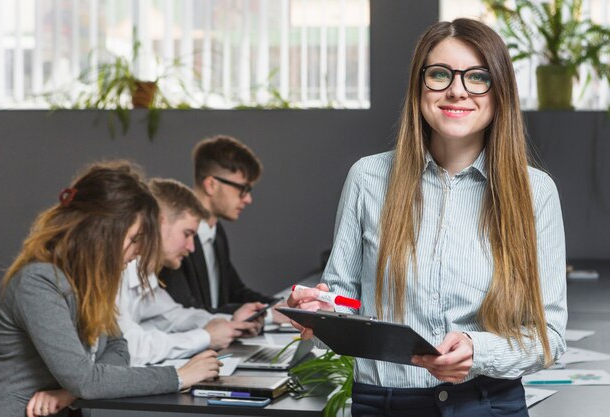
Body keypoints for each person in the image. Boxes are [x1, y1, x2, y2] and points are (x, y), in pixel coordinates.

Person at [288, 18, 567, 417]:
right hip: (384, 404)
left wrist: (478, 352)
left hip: (487, 404)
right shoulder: (368, 178)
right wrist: (321, 310)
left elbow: (549, 337)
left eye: (477, 77)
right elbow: (347, 299)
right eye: (440, 74)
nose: (457, 90)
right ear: (419, 86)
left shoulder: (535, 192)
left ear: (500, 90)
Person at [0, 162, 221, 417]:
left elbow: (118, 348)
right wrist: (179, 376)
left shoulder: (90, 283)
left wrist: (73, 390)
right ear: (101, 232)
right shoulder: (38, 283)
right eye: (134, 239)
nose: (138, 252)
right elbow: (85, 379)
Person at [117, 178, 264, 366]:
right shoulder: (120, 270)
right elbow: (130, 348)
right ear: (160, 224)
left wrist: (232, 323)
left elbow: (174, 317)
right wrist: (205, 337)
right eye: (187, 234)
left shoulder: (143, 272)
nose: (191, 247)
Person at [160, 135, 283, 320]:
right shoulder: (175, 240)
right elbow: (186, 311)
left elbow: (236, 291)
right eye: (243, 189)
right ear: (211, 185)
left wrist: (283, 307)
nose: (248, 199)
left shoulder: (216, 233)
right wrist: (268, 316)